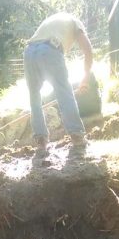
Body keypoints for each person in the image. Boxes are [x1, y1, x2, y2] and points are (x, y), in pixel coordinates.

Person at [23, 12, 93, 157]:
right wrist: (85, 77)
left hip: (29, 52)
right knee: (64, 93)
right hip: (50, 49)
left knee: (34, 97)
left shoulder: (54, 21)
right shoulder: (75, 22)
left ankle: (41, 141)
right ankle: (77, 136)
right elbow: (88, 50)